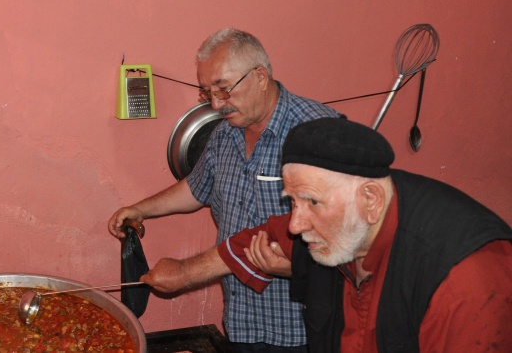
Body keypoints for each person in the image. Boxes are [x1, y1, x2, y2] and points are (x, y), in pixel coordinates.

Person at [140, 117, 512, 352]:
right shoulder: (340, 220)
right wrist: (185, 273)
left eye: (312, 203)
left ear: (370, 200)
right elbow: (258, 238)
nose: (296, 225)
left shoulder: (467, 278)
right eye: (293, 201)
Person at [108, 28, 343, 352]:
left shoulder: (317, 132)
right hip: (242, 322)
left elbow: (346, 239)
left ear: (260, 77)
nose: (217, 103)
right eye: (207, 92)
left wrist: (186, 272)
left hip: (301, 330)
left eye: (224, 89)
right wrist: (141, 209)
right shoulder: (224, 134)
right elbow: (197, 188)